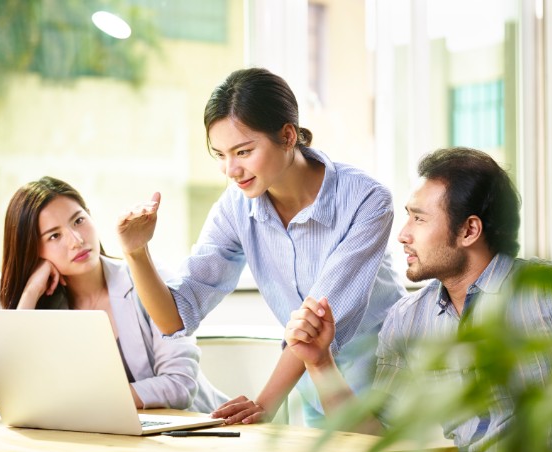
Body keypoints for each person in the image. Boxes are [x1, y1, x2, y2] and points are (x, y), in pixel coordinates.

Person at [116, 67, 406, 426]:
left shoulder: (366, 200)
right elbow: (174, 317)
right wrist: (136, 252)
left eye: (243, 151)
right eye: (220, 154)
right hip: (314, 397)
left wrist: (265, 403)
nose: (231, 170)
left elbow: (314, 322)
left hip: (386, 386)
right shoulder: (236, 206)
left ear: (287, 136)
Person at [285, 147, 552, 452]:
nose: (403, 235)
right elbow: (379, 439)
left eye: (419, 218)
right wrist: (320, 362)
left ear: (469, 231)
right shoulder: (407, 318)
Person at [0, 176, 228, 413]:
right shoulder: (44, 307)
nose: (76, 240)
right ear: (33, 250)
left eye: (78, 221)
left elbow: (179, 386)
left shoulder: (150, 279)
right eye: (54, 236)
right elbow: (2, 391)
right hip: (105, 440)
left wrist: (75, 401)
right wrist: (30, 292)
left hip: (194, 431)